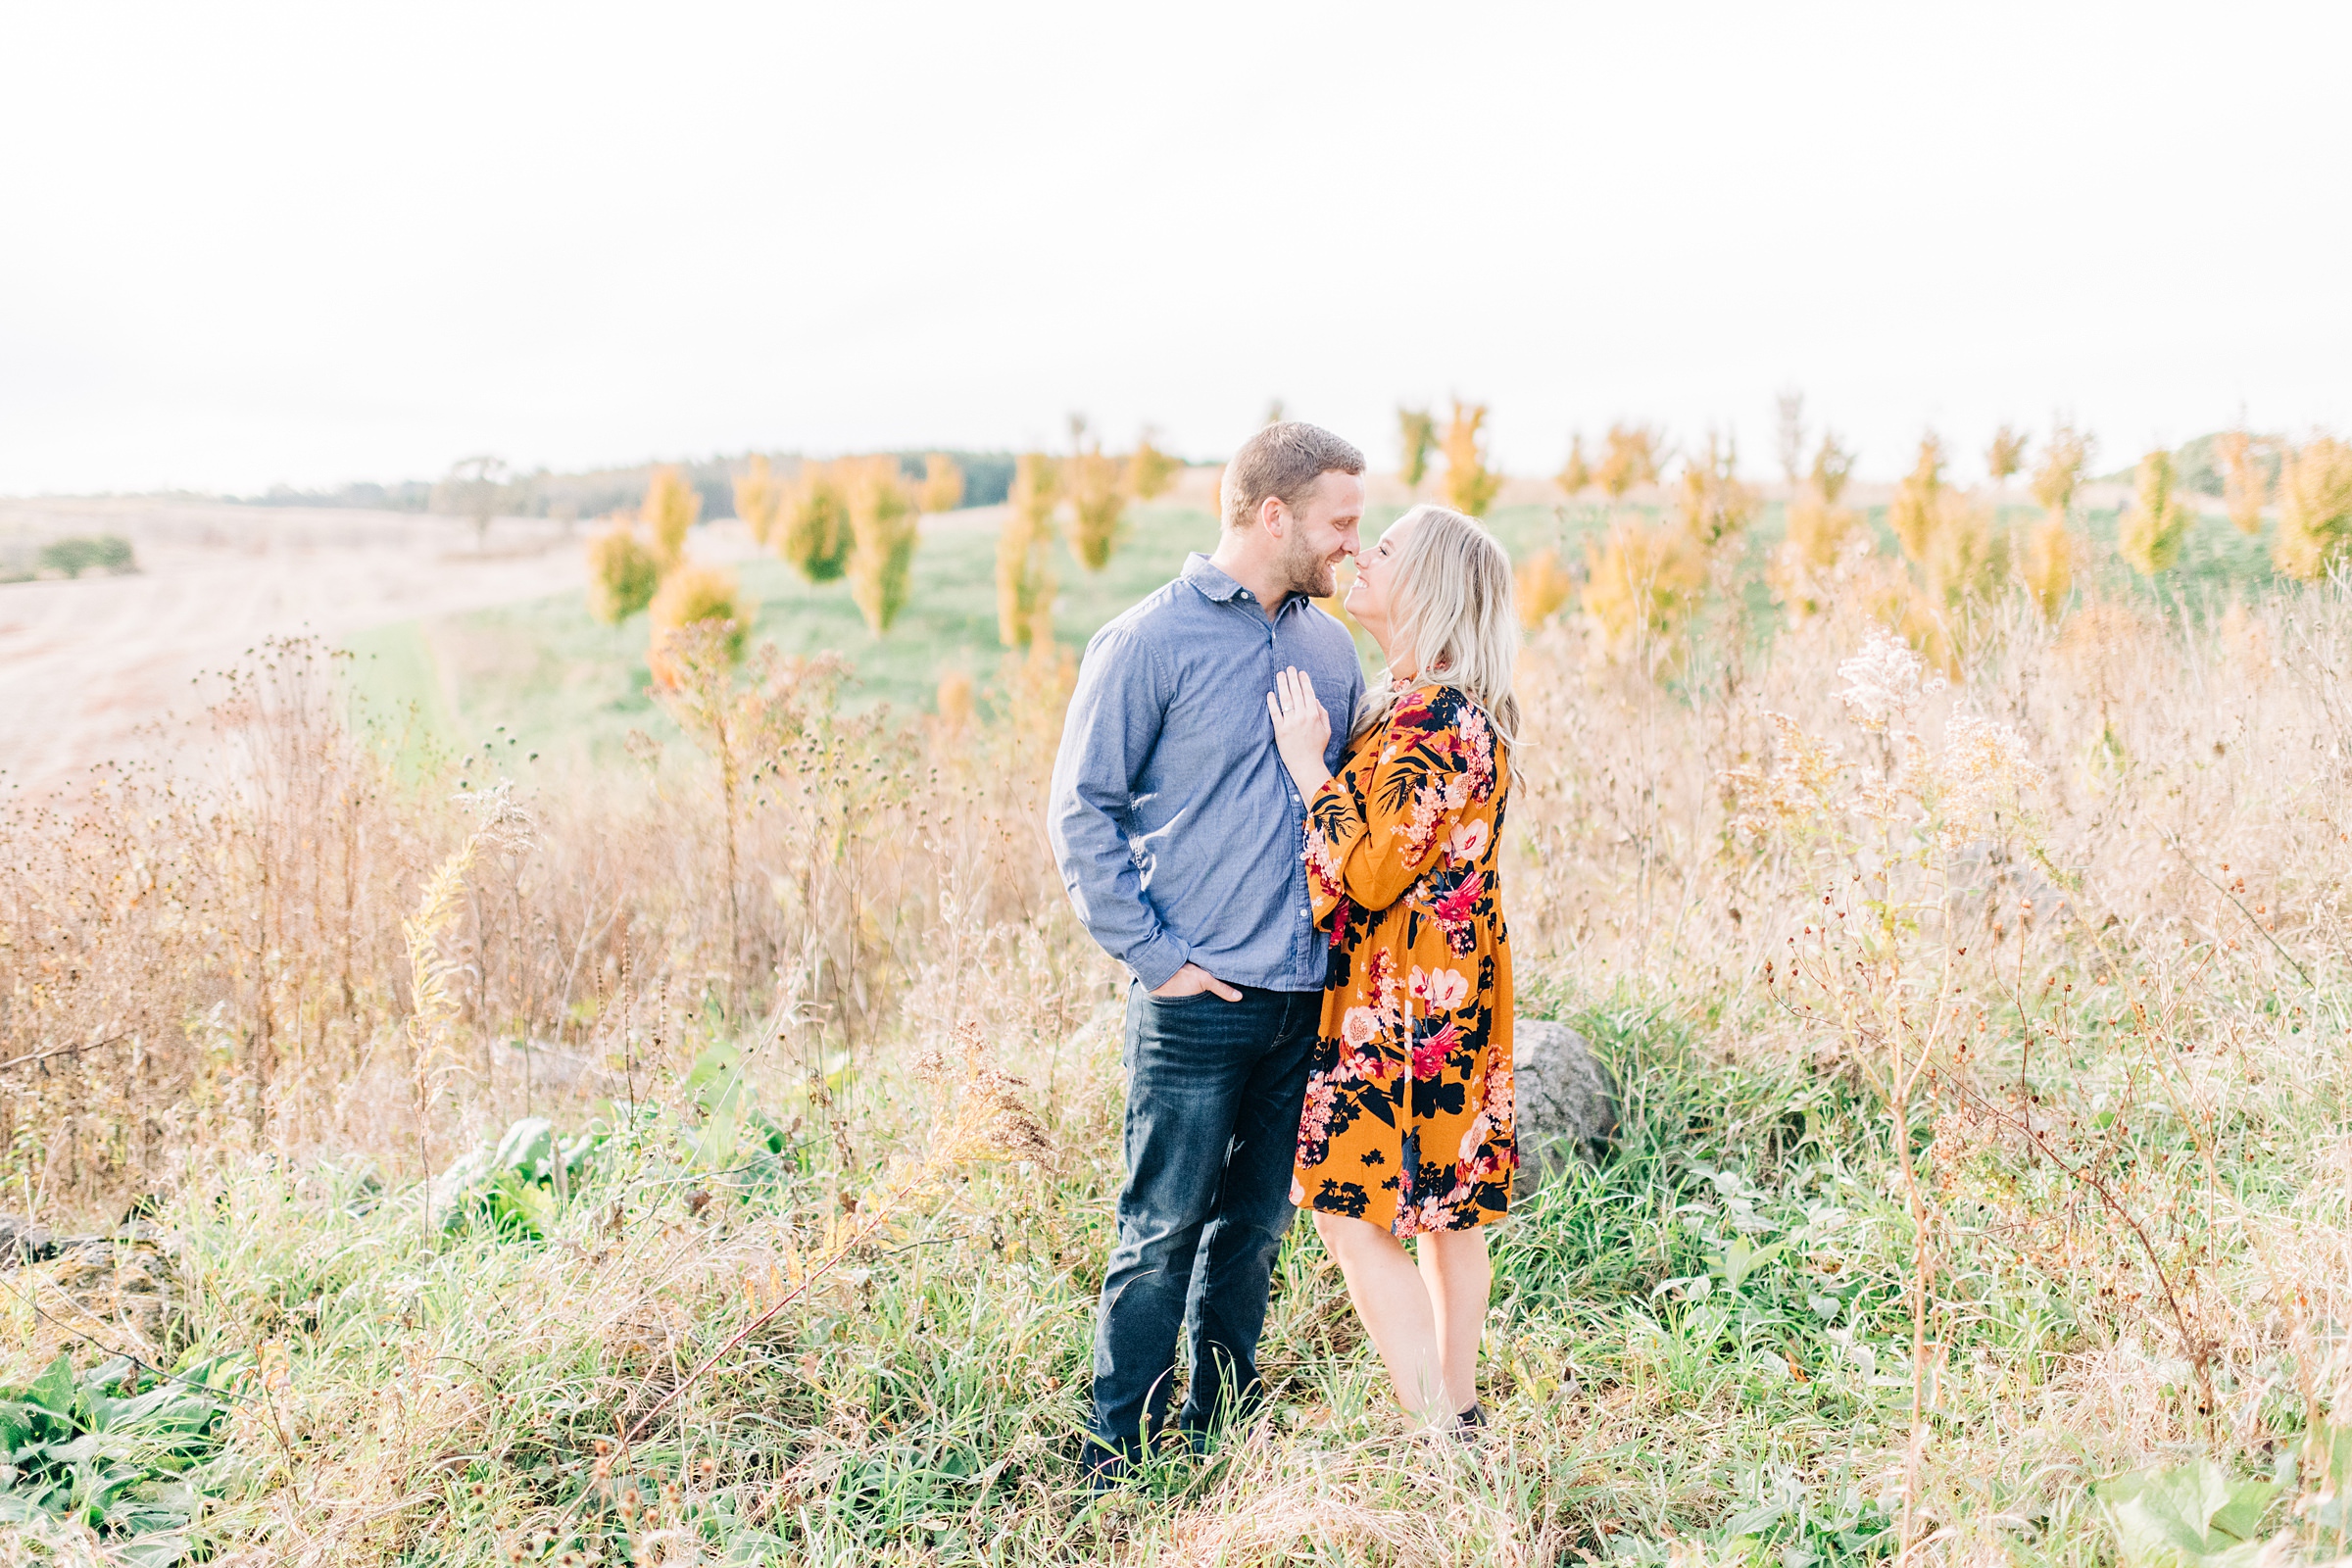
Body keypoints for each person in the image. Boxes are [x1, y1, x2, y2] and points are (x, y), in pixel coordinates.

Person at [1048, 421, 1368, 1482]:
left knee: (1256, 1231)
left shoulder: (1331, 650)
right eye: (1340, 521)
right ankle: (1114, 1456)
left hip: (1304, 996)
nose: (1350, 545)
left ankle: (1215, 1432)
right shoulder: (1146, 642)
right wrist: (1157, 958)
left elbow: (1353, 816)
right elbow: (1081, 812)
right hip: (1195, 1000)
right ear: (1273, 515)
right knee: (1162, 1229)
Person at [1265, 503, 1519, 1437]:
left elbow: (1370, 874)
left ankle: (1437, 1432)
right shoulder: (1438, 710)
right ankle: (1459, 1419)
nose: (1362, 556)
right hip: (1447, 1001)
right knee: (1449, 1217)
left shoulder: (1430, 719)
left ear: (1433, 589)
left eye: (1386, 550)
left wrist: (1306, 771)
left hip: (1404, 1010)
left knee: (1347, 1212)